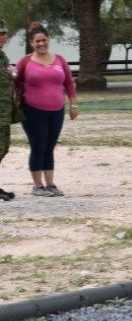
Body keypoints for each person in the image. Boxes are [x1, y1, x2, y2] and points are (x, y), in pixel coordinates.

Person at [16, 23, 78, 197]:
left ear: (48, 40)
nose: (41, 44)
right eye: (37, 41)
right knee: (38, 146)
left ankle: (50, 184)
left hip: (56, 111)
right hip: (32, 111)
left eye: (44, 40)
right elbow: (14, 83)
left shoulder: (59, 60)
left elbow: (68, 83)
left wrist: (73, 104)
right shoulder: (25, 62)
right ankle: (38, 186)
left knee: (49, 147)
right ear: (31, 43)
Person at [0, 20, 16, 201]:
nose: (1, 37)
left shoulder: (2, 57)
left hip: (4, 113)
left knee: (3, 149)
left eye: (3, 34)